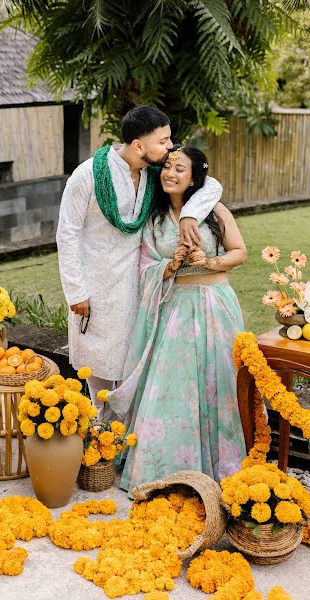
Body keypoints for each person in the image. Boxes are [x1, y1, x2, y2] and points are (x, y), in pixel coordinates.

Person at [56, 106, 223, 420]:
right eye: (163, 141)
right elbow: (67, 234)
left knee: (134, 365)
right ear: (138, 146)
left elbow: (210, 184)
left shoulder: (154, 174)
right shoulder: (88, 174)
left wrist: (189, 214)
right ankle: (100, 445)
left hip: (143, 286)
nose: (170, 146)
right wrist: (76, 291)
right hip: (95, 288)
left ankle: (127, 441)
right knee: (98, 367)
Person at [108, 144, 247, 496]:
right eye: (167, 166)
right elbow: (144, 268)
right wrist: (169, 266)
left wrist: (208, 261)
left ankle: (220, 470)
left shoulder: (214, 211)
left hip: (214, 306)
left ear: (195, 177)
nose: (170, 173)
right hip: (173, 311)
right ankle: (167, 469)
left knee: (219, 382)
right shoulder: (154, 221)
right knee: (173, 389)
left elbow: (240, 253)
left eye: (179, 168)